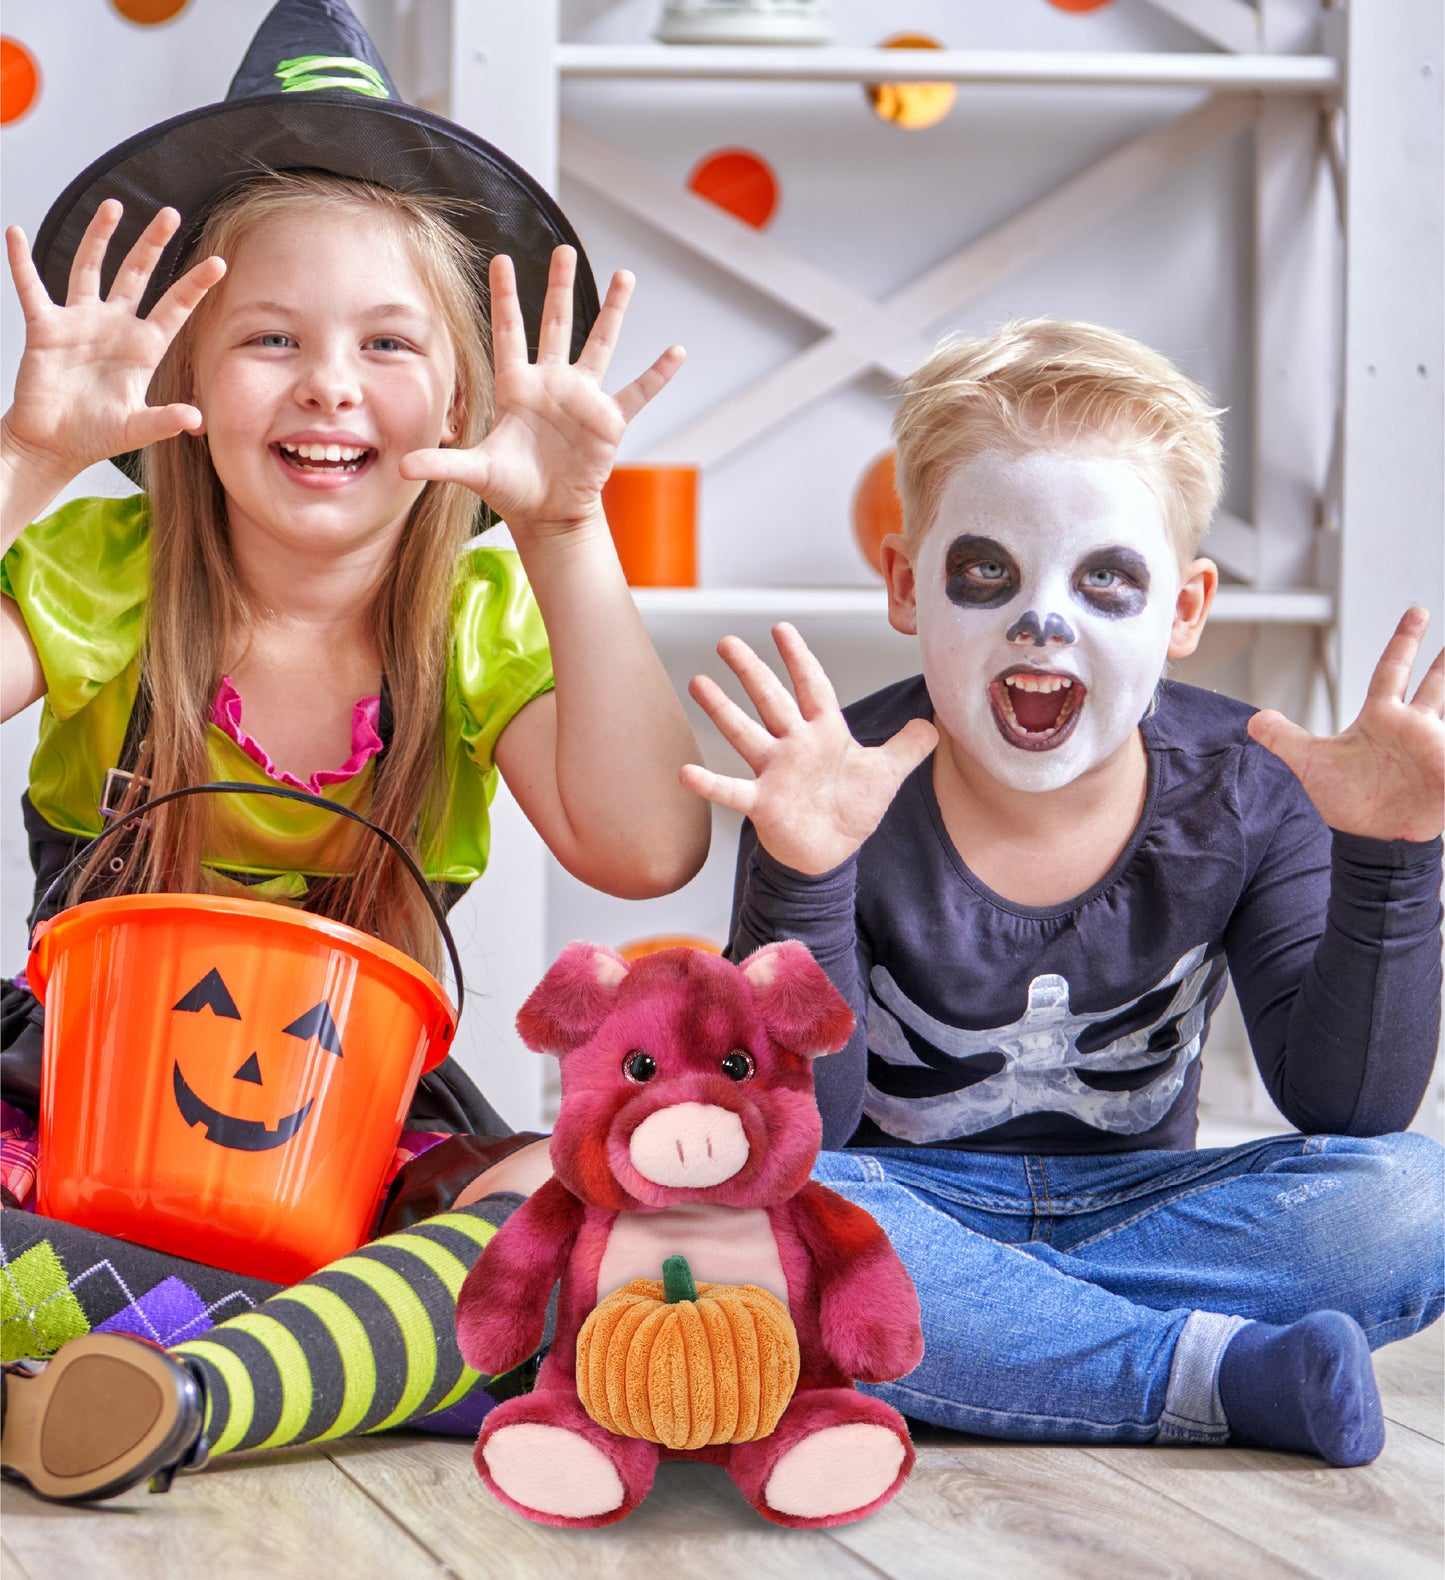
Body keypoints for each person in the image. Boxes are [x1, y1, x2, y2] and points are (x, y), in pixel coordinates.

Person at [0, 0, 707, 1501]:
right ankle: (330, 1365)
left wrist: (566, 532)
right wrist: (27, 464)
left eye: (387, 344)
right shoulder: (104, 573)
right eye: (272, 339)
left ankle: (161, 1377)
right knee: (535, 1310)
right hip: (65, 1127)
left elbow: (643, 845)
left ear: (457, 394)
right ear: (182, 373)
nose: (330, 385)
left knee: (574, 1193)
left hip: (357, 1147)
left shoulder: (473, 611)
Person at [679, 317, 1444, 1469]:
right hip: (898, 1197)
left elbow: (1347, 1109)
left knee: (1410, 1193)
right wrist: (803, 870)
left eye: (1106, 580)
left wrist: (1390, 858)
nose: (1043, 619)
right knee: (743, 1209)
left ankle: (989, 1345)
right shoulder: (834, 782)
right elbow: (805, 1133)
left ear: (1183, 610)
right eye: (986, 572)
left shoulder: (1246, 787)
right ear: (905, 584)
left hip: (1149, 1209)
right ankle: (1203, 1373)